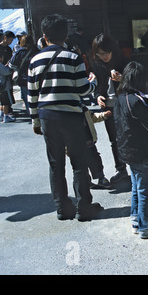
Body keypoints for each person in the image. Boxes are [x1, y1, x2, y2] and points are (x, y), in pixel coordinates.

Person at [28, 14, 103, 221]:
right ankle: (83, 207)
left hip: (46, 117)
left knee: (56, 163)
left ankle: (62, 208)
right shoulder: (72, 57)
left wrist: (35, 121)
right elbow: (82, 89)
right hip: (70, 116)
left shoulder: (35, 60)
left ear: (44, 36)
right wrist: (94, 83)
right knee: (79, 162)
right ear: (66, 34)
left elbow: (32, 95)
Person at [114, 61, 148, 239]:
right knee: (145, 189)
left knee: (137, 187)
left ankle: (136, 219)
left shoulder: (121, 97)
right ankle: (146, 226)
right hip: (141, 151)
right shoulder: (135, 100)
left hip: (128, 150)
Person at [91, 33, 129, 183]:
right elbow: (98, 87)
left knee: (128, 136)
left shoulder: (124, 62)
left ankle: (136, 169)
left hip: (124, 105)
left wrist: (123, 78)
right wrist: (98, 96)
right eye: (100, 54)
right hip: (108, 107)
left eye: (106, 53)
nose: (103, 57)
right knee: (114, 140)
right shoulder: (98, 64)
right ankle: (121, 170)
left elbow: (137, 80)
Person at [80, 106, 112, 190]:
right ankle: (85, 181)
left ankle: (101, 178)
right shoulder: (67, 111)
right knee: (80, 164)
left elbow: (92, 117)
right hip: (77, 143)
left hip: (89, 140)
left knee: (95, 159)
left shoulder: (83, 108)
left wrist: (103, 115)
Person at [8, 34, 40, 116]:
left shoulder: (19, 53)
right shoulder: (36, 51)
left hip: (24, 79)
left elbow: (11, 65)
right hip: (37, 78)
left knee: (28, 100)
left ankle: (32, 116)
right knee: (38, 97)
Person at [0, 31, 16, 122]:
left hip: (8, 74)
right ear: (5, 37)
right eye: (10, 39)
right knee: (5, 96)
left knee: (8, 93)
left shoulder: (9, 49)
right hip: (3, 73)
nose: (11, 41)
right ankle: (6, 114)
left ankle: (5, 112)